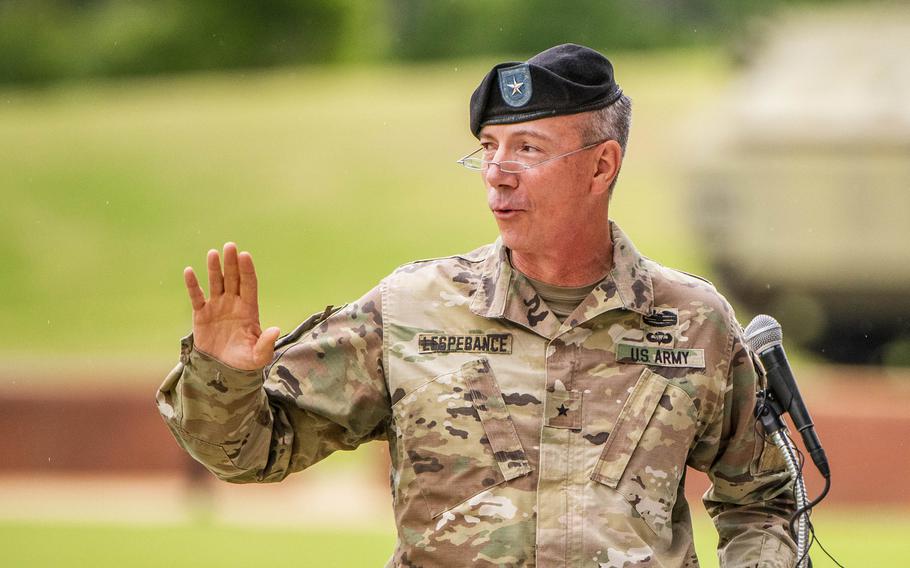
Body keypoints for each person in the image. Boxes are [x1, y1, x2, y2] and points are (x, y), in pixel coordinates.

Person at [157, 43, 796, 567]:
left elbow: (763, 500)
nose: (499, 171)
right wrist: (225, 379)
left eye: (529, 149)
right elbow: (247, 453)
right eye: (489, 147)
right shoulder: (410, 310)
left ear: (602, 167)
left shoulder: (695, 322)